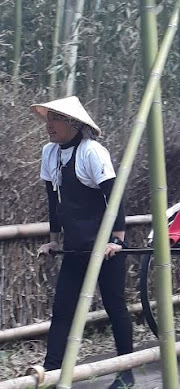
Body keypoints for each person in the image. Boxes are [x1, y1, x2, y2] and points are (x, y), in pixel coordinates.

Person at [32, 96, 134, 389]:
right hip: (76, 245)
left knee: (115, 307)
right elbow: (54, 201)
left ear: (73, 124)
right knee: (62, 309)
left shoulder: (92, 152)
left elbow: (114, 198)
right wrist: (53, 241)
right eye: (48, 118)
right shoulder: (49, 154)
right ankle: (51, 373)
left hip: (104, 248)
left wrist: (117, 240)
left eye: (55, 119)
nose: (48, 125)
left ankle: (126, 373)